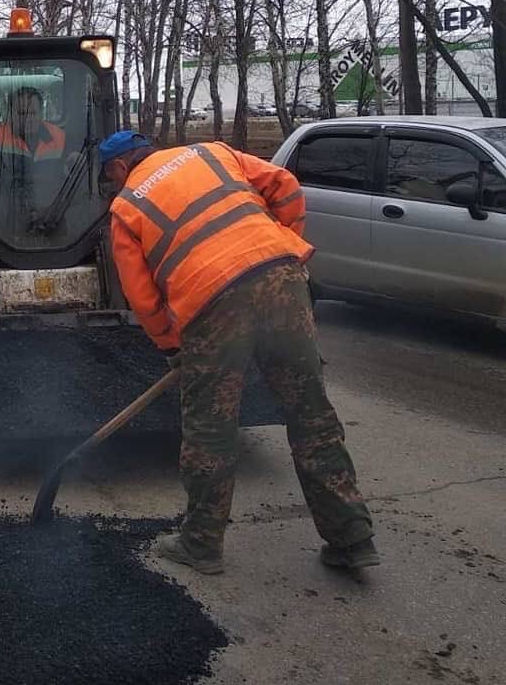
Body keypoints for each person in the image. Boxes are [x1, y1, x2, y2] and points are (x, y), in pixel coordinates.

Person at [99, 130, 377, 576]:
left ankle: (201, 544)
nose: (112, 185)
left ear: (117, 168)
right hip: (282, 278)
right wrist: (281, 246)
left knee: (211, 428)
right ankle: (352, 537)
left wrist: (173, 347)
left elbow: (144, 299)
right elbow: (285, 185)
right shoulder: (213, 152)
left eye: (109, 177)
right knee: (311, 414)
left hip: (212, 302)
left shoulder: (127, 207)